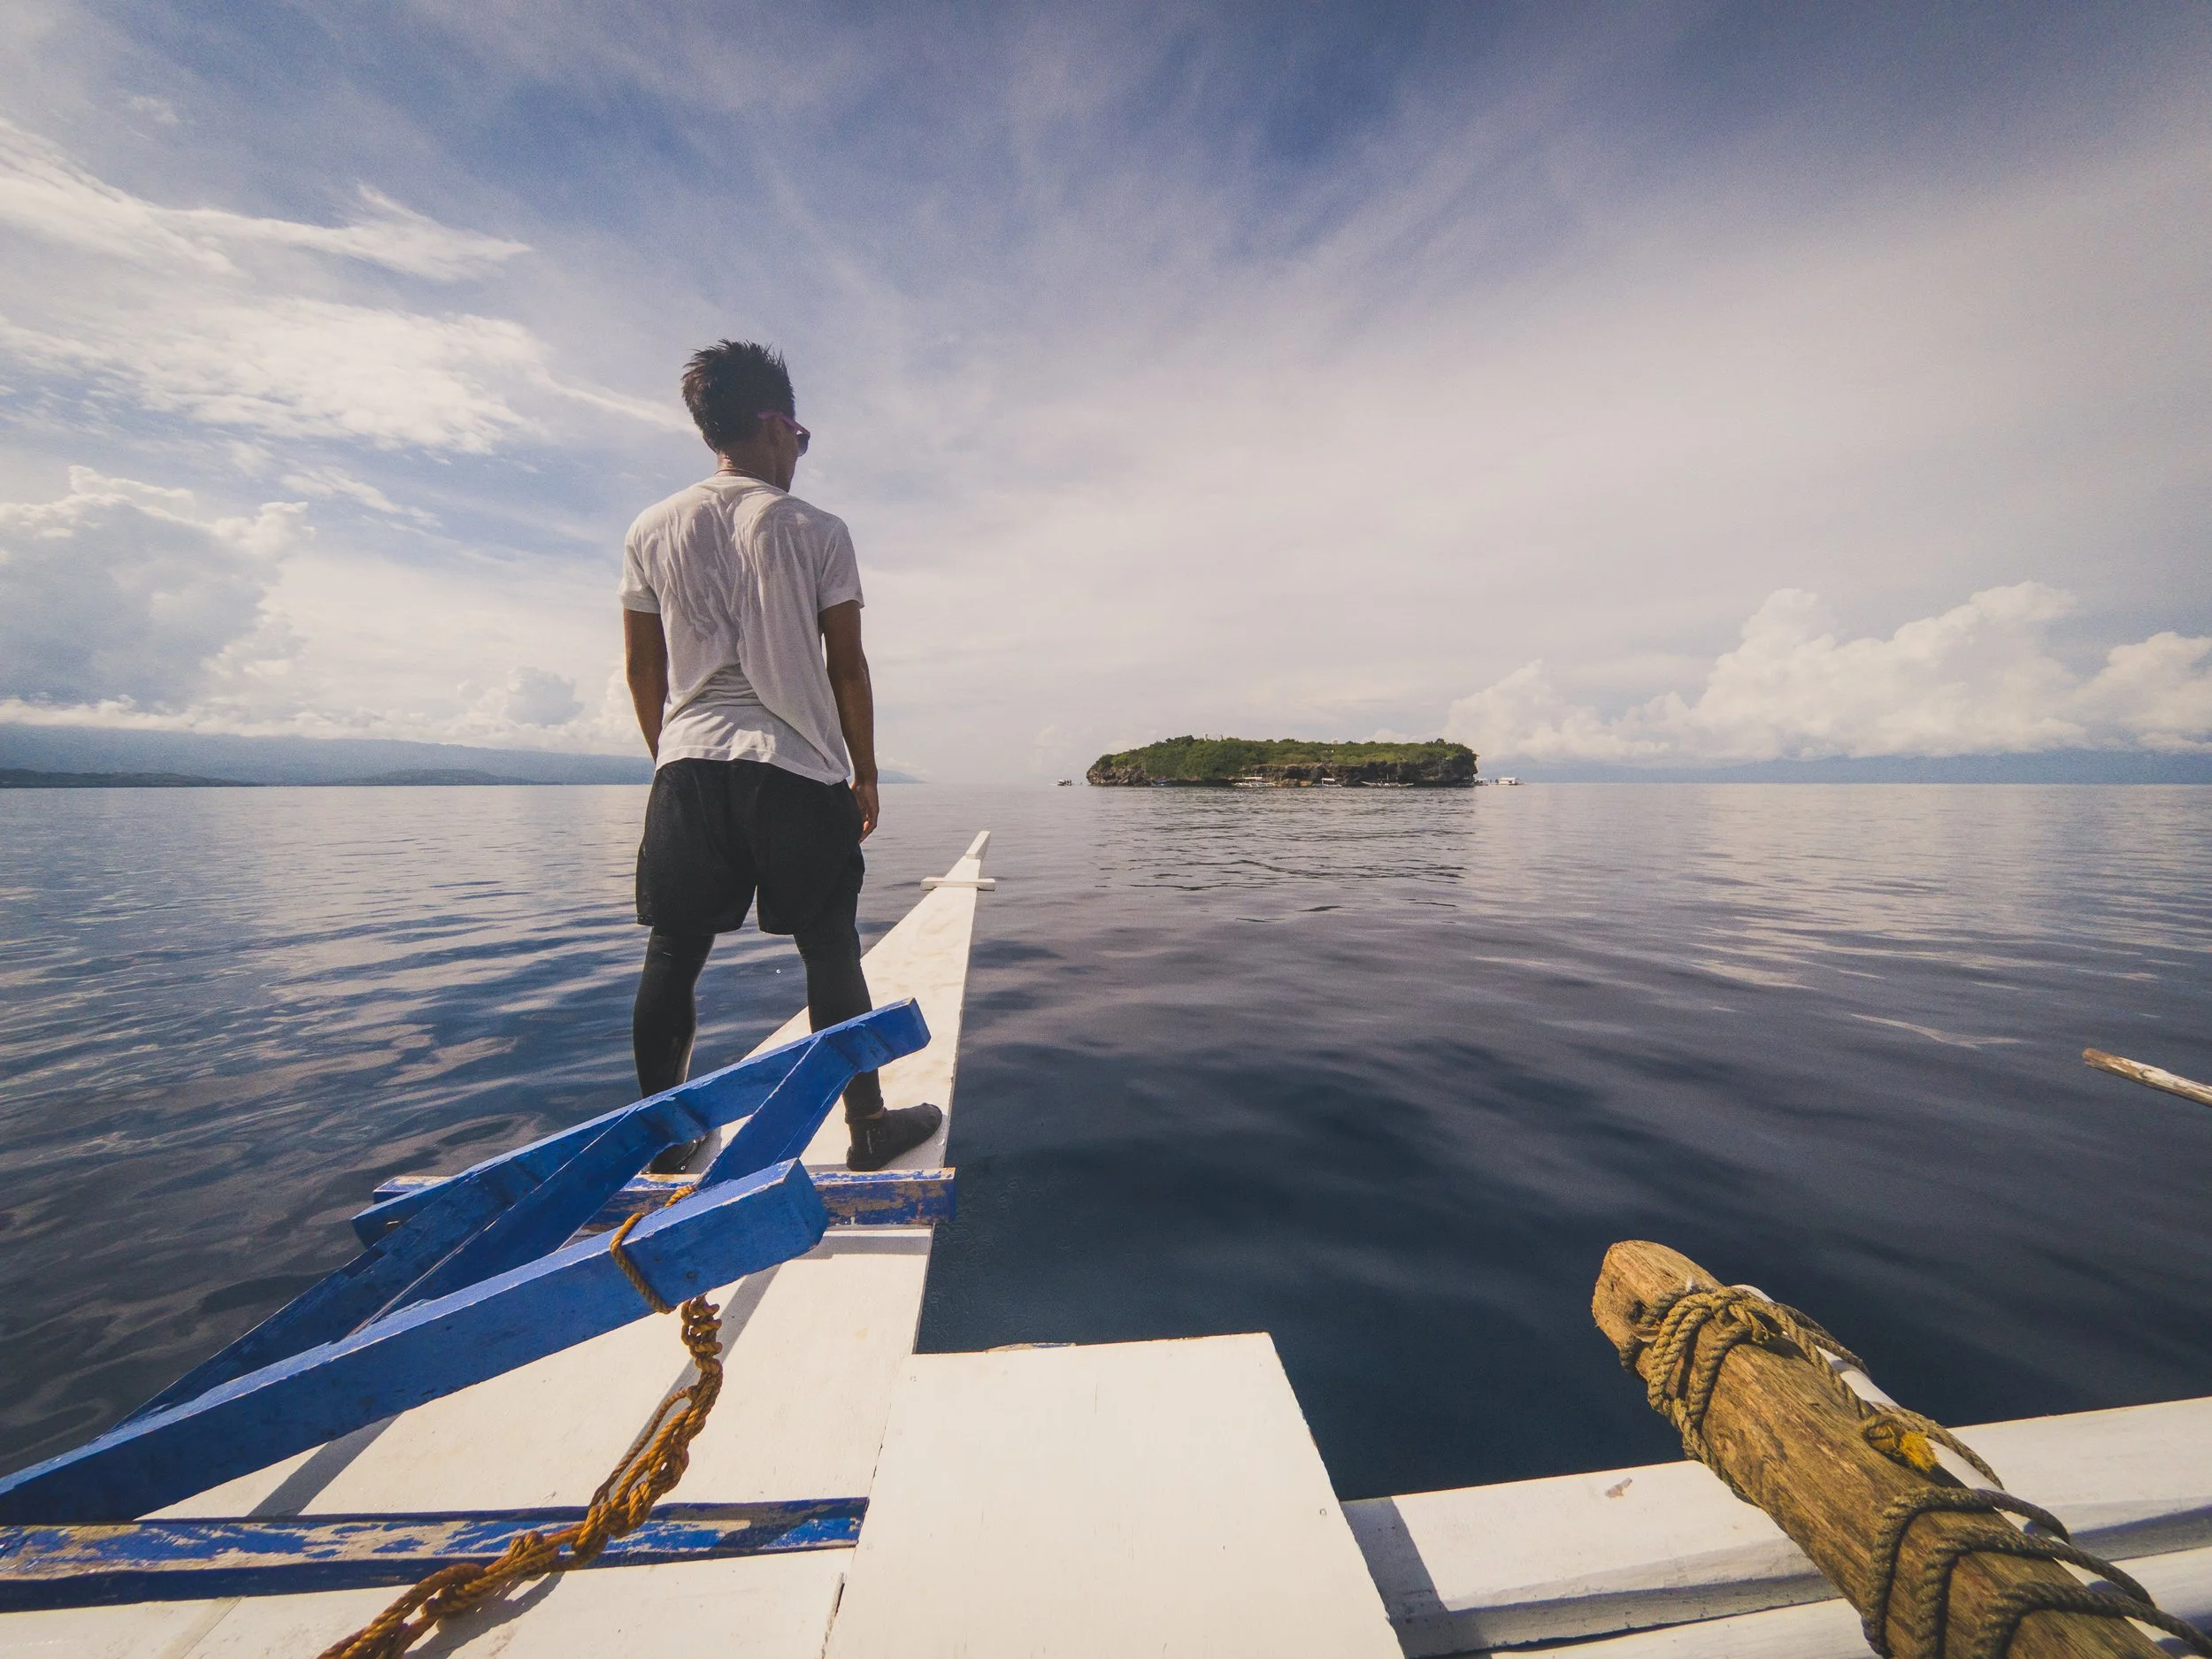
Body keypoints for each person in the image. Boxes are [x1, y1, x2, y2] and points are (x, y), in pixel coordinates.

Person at [618, 340, 941, 1173]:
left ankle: (667, 1144)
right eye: (800, 436)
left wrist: (671, 757)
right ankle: (867, 1127)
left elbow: (642, 668)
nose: (800, 452)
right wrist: (864, 771)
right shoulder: (818, 531)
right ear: (772, 424)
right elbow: (847, 665)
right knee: (830, 948)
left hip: (688, 763)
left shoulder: (649, 528)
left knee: (672, 953)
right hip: (797, 767)